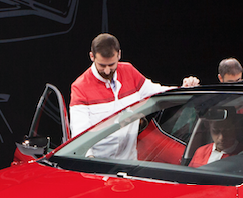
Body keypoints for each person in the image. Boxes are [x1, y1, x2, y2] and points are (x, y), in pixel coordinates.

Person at [69, 33, 199, 159]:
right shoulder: (80, 87)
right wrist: (89, 160)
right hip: (97, 163)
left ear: (119, 55)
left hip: (129, 162)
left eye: (111, 65)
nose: (107, 71)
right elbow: (80, 134)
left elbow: (159, 92)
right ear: (92, 56)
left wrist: (184, 88)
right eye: (102, 65)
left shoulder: (129, 72)